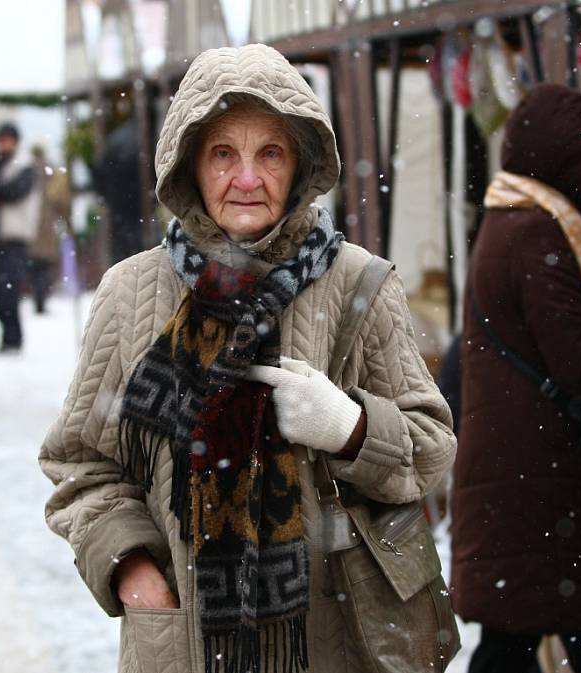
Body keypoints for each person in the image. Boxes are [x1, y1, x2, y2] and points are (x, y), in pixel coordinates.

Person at [40, 44, 456, 673]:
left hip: (332, 643)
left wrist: (350, 428)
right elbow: (80, 464)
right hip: (183, 642)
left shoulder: (359, 285)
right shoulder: (130, 293)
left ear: (300, 165)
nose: (247, 179)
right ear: (189, 165)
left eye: (271, 153)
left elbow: (430, 448)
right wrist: (131, 566)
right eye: (223, 154)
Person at [450, 83, 581, 673]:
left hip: (521, 482)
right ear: (560, 161)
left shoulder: (510, 223)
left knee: (514, 639)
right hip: (539, 486)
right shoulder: (535, 232)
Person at [0, 121, 40, 352]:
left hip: (14, 235)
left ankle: (13, 337)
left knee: (9, 290)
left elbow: (13, 191)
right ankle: (7, 336)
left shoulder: (24, 165)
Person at [92, 117, 145, 263]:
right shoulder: (142, 137)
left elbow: (99, 175)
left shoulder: (114, 140)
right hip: (137, 204)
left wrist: (106, 196)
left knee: (122, 250)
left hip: (118, 204)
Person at [28, 145, 71, 314]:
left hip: (32, 226)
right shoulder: (52, 174)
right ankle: (41, 298)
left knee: (35, 267)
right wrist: (68, 222)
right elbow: (61, 202)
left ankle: (38, 299)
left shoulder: (28, 171)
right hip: (47, 226)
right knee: (44, 266)